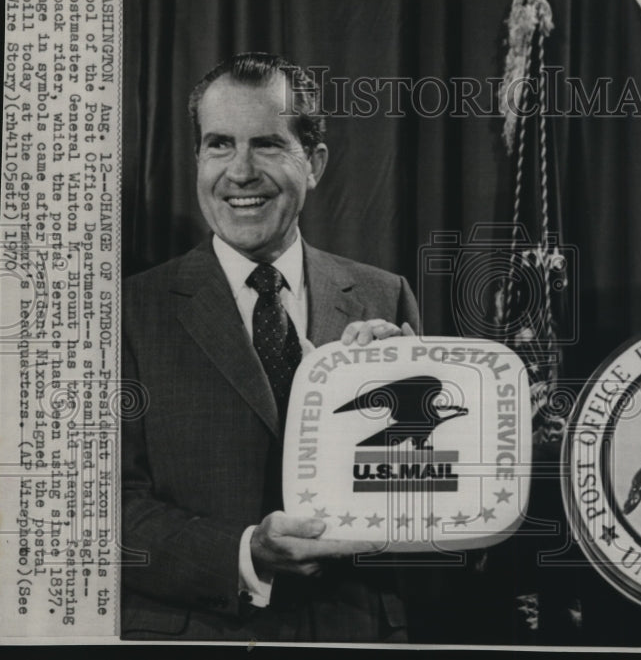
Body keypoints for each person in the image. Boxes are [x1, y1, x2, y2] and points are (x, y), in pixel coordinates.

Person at [121, 53, 420, 641]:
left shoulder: (385, 297)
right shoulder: (129, 314)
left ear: (314, 163)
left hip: (356, 634)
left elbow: (419, 498)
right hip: (200, 635)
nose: (240, 171)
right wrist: (246, 552)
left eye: (266, 144)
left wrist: (406, 396)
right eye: (219, 145)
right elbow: (104, 510)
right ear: (197, 160)